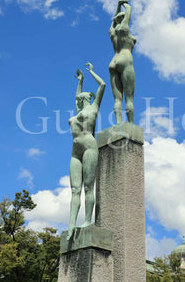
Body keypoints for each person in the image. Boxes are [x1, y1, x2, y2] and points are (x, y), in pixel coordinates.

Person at [67, 61, 105, 240]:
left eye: (82, 97)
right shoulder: (77, 112)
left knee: (89, 187)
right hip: (75, 151)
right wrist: (79, 81)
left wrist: (91, 72)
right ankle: (71, 223)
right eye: (80, 97)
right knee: (75, 189)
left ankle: (88, 221)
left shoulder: (93, 108)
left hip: (89, 147)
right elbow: (75, 98)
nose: (80, 99)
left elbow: (103, 85)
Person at [109, 0, 136, 124]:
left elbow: (113, 22)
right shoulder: (124, 28)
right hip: (125, 58)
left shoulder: (113, 32)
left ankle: (118, 124)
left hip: (113, 61)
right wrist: (124, 4)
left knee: (117, 99)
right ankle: (131, 125)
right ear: (122, 18)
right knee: (129, 98)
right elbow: (129, 11)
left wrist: (118, 5)